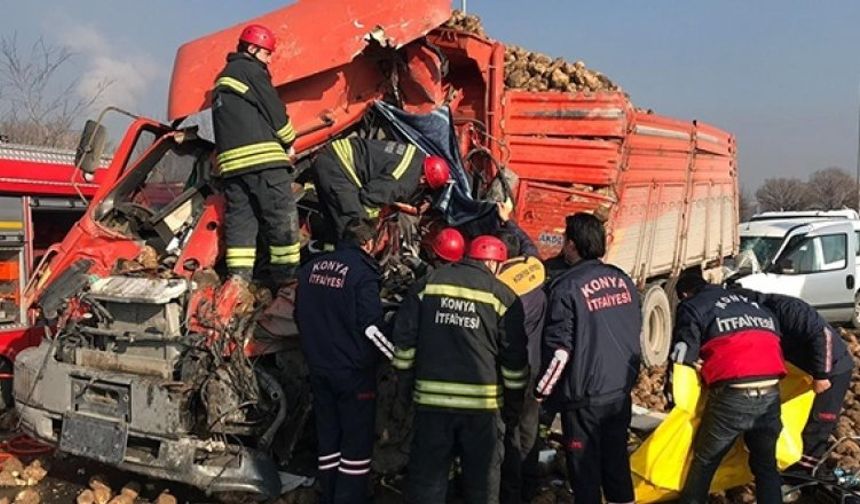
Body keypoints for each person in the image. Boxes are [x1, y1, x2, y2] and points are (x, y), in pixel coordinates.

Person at [391, 235, 528, 504]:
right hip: (482, 411)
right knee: (482, 485)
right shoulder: (503, 296)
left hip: (431, 406)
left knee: (427, 483)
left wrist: (404, 391)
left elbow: (404, 344)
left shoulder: (427, 285)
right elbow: (514, 361)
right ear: (492, 262)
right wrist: (513, 408)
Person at [533, 212, 641, 504]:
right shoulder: (623, 281)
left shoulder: (566, 288)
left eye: (565, 241)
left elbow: (559, 352)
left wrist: (541, 392)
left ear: (572, 244)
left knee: (585, 474)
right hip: (619, 394)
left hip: (584, 400)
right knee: (617, 466)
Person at [294, 218, 394, 504]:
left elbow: (299, 317)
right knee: (355, 445)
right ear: (369, 244)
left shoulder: (311, 268)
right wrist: (398, 358)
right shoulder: (363, 274)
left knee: (328, 439)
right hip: (353, 373)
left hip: (319, 367)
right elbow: (372, 329)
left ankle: (328, 492)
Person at [672, 271, 786, 504]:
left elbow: (682, 355)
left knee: (705, 462)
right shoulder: (752, 305)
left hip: (733, 393)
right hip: (771, 391)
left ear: (684, 294)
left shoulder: (693, 306)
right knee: (766, 466)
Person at [212, 24, 301, 287]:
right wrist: (288, 140)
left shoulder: (222, 79)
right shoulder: (251, 70)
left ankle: (238, 281)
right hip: (263, 161)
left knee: (241, 221)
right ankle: (286, 283)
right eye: (266, 54)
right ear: (252, 49)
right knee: (281, 217)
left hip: (232, 167)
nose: (269, 59)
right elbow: (274, 108)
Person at [733, 288, 854, 475]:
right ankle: (794, 463)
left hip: (833, 370)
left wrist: (822, 375)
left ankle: (805, 475)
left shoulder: (789, 309)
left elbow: (822, 336)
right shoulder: (761, 316)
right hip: (803, 369)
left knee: (819, 422)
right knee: (793, 417)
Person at [496, 211, 547, 504]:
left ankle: (511, 493)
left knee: (509, 433)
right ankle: (531, 488)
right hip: (536, 368)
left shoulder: (503, 288)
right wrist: (509, 222)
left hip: (513, 371)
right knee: (530, 428)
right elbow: (529, 247)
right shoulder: (534, 269)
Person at [311, 137, 450, 240]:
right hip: (338, 168)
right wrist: (373, 226)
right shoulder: (406, 182)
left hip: (335, 156)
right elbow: (368, 198)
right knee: (354, 231)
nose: (422, 188)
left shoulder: (416, 154)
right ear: (423, 179)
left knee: (334, 225)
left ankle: (324, 251)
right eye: (424, 186)